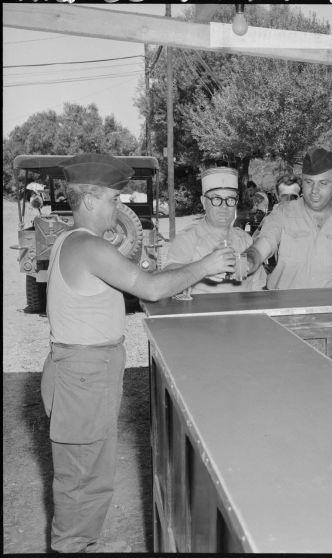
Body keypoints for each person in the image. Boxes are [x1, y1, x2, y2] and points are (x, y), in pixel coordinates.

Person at [40, 153, 235, 554]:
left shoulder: (71, 240)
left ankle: (83, 541)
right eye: (114, 199)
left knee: (92, 471)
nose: (120, 206)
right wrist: (205, 265)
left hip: (86, 370)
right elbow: (149, 288)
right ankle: (72, 545)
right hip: (84, 372)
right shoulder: (88, 246)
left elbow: (133, 276)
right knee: (81, 479)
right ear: (91, 200)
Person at [244, 147, 332, 289]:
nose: (314, 191)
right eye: (309, 182)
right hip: (284, 306)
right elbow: (261, 247)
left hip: (329, 306)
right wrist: (248, 261)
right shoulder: (282, 214)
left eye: (323, 183)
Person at [164, 167, 266, 293]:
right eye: (216, 199)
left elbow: (258, 286)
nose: (224, 206)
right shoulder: (187, 239)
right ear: (203, 202)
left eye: (230, 199)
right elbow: (167, 281)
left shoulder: (245, 240)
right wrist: (202, 269)